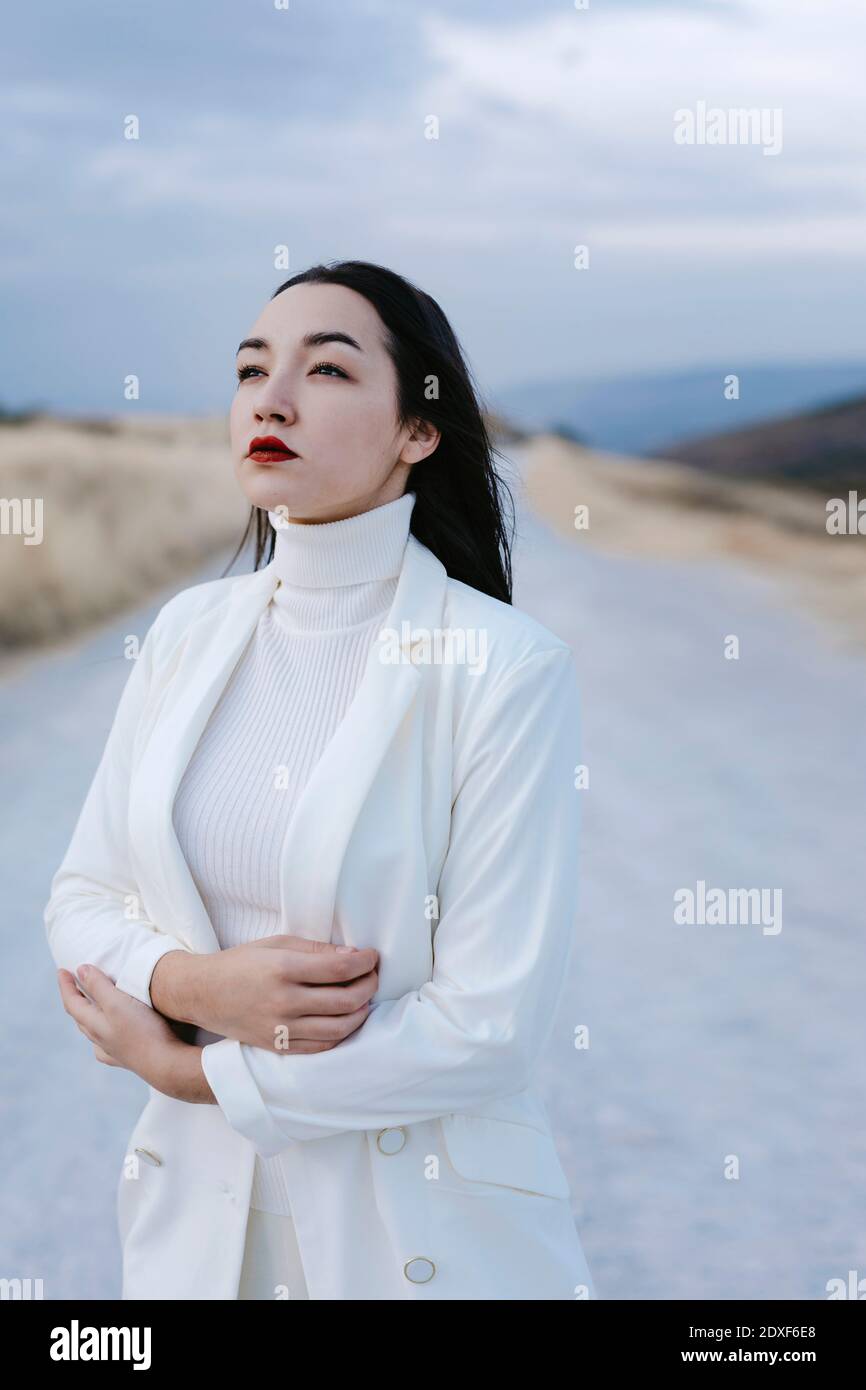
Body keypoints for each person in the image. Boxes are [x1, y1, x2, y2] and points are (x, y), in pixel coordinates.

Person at [45, 259, 596, 1300]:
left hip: (414, 1237)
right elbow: (81, 900)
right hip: (197, 1230)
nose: (273, 398)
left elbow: (486, 1031)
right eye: (252, 369)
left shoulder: (504, 666)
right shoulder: (187, 632)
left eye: (328, 371)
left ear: (417, 431)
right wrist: (191, 986)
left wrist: (191, 1068)